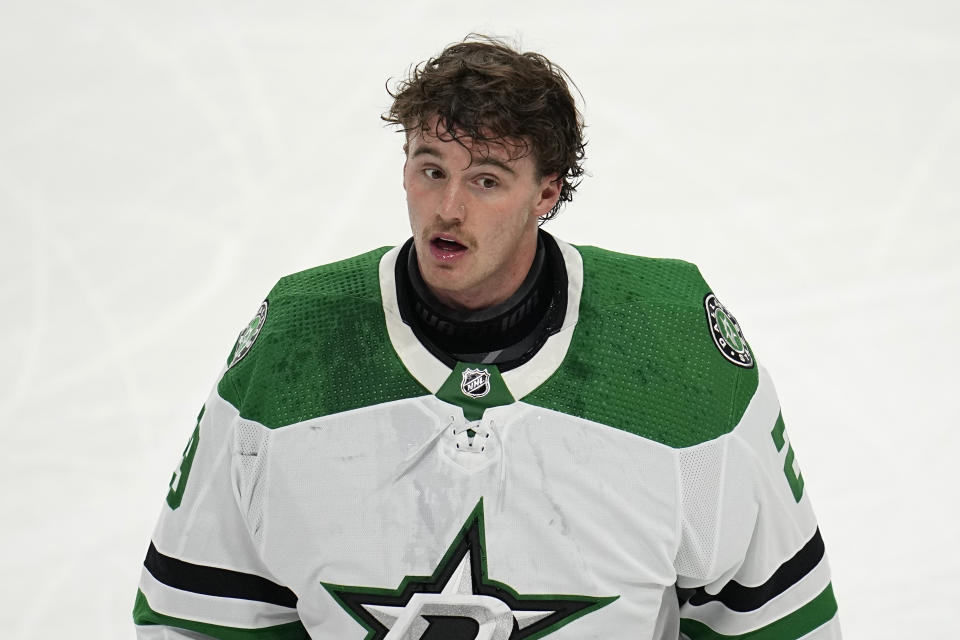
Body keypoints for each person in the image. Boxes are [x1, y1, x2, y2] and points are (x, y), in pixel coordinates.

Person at [133, 36, 841, 640]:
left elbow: (776, 619)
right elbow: (197, 616)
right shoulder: (295, 345)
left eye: (487, 179)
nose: (448, 207)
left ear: (547, 193)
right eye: (431, 168)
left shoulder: (674, 347)